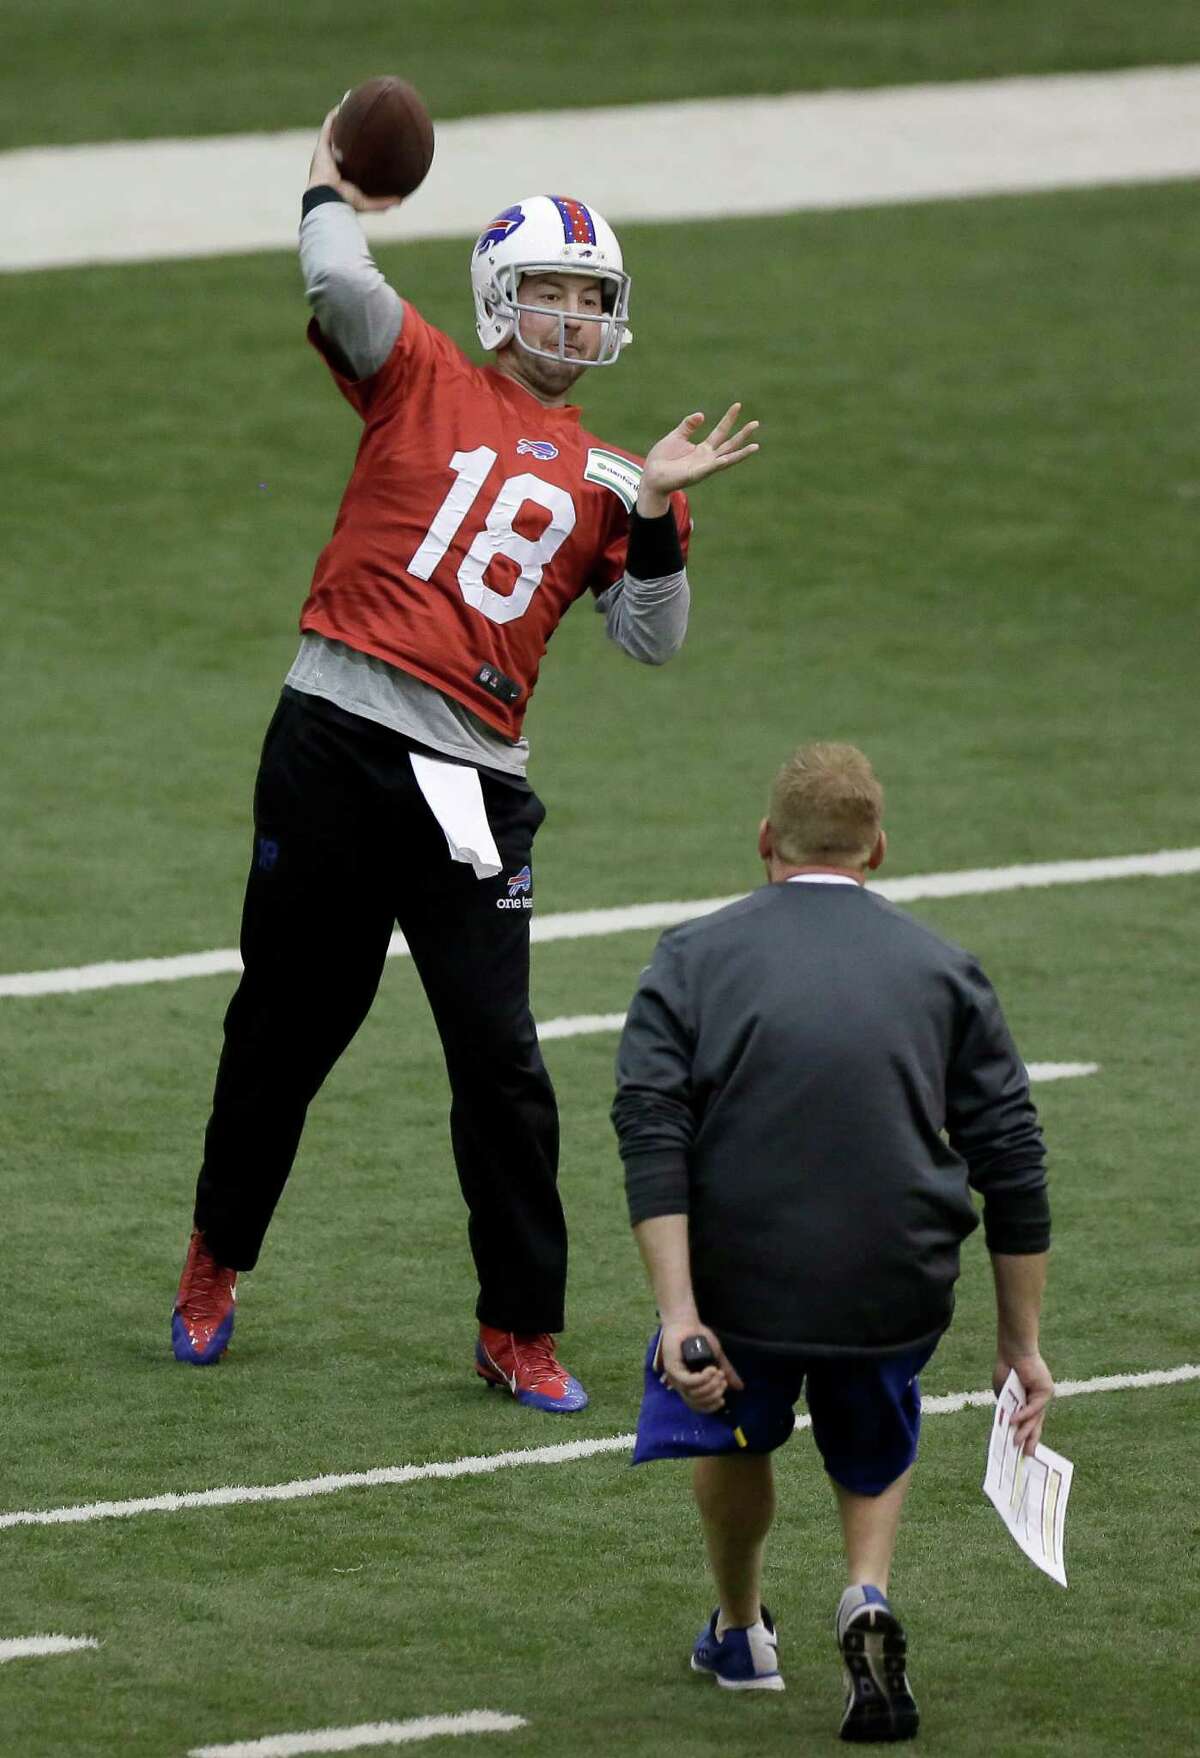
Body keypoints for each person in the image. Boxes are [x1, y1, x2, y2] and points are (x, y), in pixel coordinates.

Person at [170, 107, 759, 1412]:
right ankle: (218, 1252)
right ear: (498, 299)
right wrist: (329, 179)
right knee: (289, 1020)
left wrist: (657, 511)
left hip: (469, 777)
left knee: (499, 1055)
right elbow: (333, 276)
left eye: (588, 294)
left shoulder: (619, 470)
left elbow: (653, 641)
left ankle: (519, 1325)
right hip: (333, 728)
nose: (568, 313)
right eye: (547, 289)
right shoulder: (420, 370)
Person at [612, 743, 1053, 1740]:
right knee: (874, 1412)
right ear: (878, 849)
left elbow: (652, 1136)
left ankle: (740, 1633)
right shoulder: (947, 971)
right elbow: (1013, 1161)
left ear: (766, 842)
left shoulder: (689, 957)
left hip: (745, 1287)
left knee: (733, 1418)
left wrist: (681, 1315)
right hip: (892, 1284)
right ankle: (864, 1592)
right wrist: (1019, 1344)